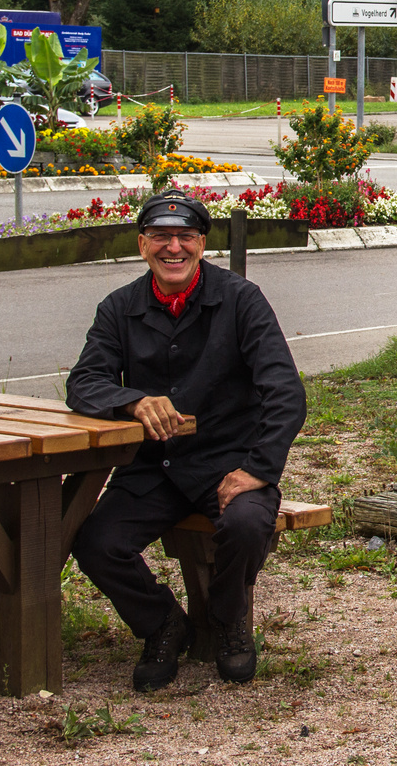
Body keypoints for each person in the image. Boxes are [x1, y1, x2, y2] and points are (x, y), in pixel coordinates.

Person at [67, 189, 306, 691]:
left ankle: (227, 617)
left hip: (229, 463)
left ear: (202, 244)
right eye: (160, 237)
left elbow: (285, 391)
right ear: (142, 244)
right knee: (94, 542)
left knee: (244, 525)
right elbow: (84, 383)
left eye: (185, 237)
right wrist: (134, 400)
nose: (172, 248)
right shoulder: (118, 307)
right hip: (155, 468)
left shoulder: (241, 300)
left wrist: (259, 469)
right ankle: (162, 624)